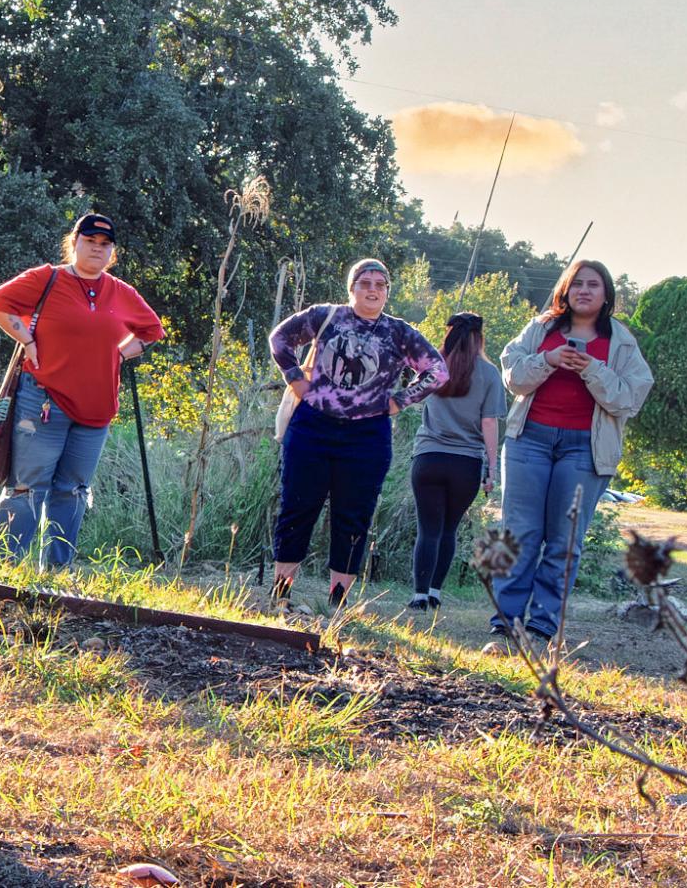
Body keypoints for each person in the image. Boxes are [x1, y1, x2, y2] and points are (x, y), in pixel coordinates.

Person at [0, 213, 163, 569]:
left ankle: (55, 574)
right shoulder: (46, 279)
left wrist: (121, 353)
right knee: (27, 486)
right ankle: (4, 571)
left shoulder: (121, 292)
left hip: (96, 411)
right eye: (90, 242)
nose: (97, 249)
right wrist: (26, 338)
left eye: (104, 245)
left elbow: (152, 330)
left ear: (112, 252)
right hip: (43, 400)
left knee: (73, 490)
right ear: (74, 242)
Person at [269, 259, 447, 610]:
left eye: (380, 284)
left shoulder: (399, 332)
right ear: (351, 288)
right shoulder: (326, 316)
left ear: (387, 292)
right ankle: (281, 595)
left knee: (354, 515)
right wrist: (295, 377)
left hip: (367, 433)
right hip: (313, 425)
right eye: (365, 283)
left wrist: (400, 400)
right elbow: (280, 339)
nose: (372, 289)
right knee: (297, 507)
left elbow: (437, 371)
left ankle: (338, 602)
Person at [492, 259, 655, 642]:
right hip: (528, 440)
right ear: (565, 289)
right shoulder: (541, 328)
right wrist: (547, 360)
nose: (584, 290)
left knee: (564, 540)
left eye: (593, 284)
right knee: (521, 533)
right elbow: (512, 377)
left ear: (606, 294)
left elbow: (628, 399)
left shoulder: (622, 342)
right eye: (577, 283)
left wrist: (591, 368)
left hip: (585, 449)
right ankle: (505, 622)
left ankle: (542, 626)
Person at [406, 312, 504, 611]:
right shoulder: (489, 375)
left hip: (428, 457)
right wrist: (492, 467)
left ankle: (419, 595)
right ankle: (435, 592)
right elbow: (489, 423)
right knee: (449, 529)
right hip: (465, 464)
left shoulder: (435, 367)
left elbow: (411, 395)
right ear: (479, 338)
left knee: (428, 529)